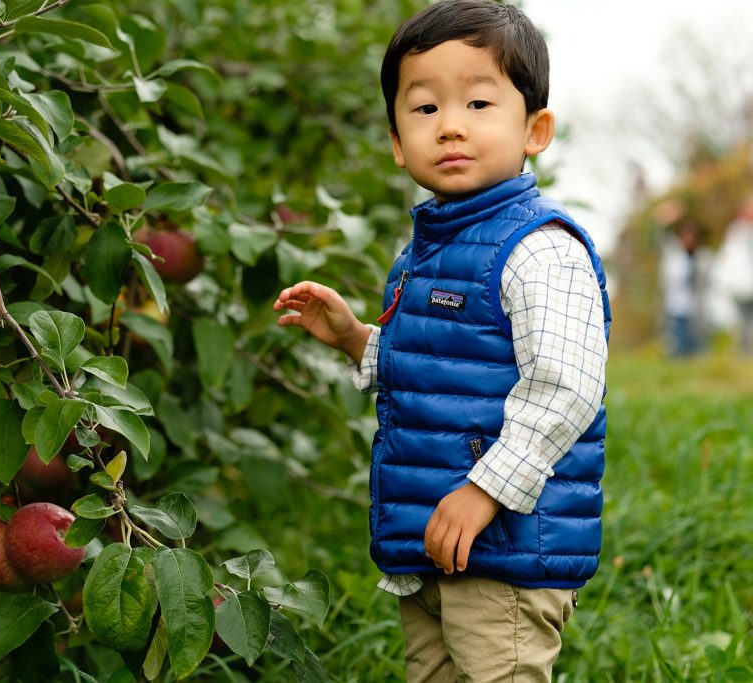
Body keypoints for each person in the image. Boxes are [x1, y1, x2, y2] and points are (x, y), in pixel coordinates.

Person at [273, 1, 611, 680]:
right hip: (432, 538)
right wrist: (355, 339)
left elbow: (566, 386)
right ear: (398, 142)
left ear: (534, 129)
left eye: (480, 103)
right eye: (425, 109)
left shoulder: (539, 248)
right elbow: (436, 367)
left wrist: (486, 490)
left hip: (506, 545)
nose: (451, 125)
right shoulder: (425, 250)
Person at [659, 219, 708, 357]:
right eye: (685, 235)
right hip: (675, 308)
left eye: (692, 236)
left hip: (696, 311)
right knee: (677, 347)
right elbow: (659, 237)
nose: (689, 239)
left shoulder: (701, 257)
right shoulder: (673, 255)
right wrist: (665, 219)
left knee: (695, 349)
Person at [716, 198, 753, 353]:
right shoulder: (735, 234)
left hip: (746, 284)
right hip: (740, 285)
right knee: (743, 322)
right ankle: (745, 352)